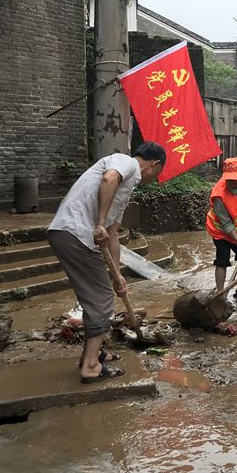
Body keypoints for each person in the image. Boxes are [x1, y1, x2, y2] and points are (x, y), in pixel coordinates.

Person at [48, 142, 165, 382]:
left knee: (96, 297)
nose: (155, 178)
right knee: (102, 300)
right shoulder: (126, 163)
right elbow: (108, 179)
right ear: (155, 164)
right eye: (158, 173)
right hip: (76, 233)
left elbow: (112, 234)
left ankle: (93, 354)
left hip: (72, 234)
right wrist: (99, 222)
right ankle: (91, 366)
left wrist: (117, 274)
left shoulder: (126, 188)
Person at [205, 157, 237, 298]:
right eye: (229, 179)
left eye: (235, 178)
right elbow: (226, 223)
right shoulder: (218, 194)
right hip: (221, 231)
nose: (232, 182)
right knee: (222, 259)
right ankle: (221, 294)